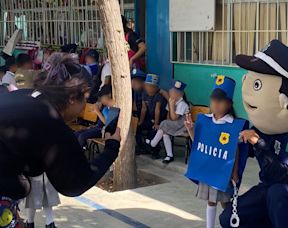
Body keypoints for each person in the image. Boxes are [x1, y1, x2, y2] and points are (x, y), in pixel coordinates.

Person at [0, 53, 121, 228]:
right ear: (72, 98)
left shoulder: (25, 96)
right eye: (85, 100)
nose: (82, 109)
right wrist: (112, 147)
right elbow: (74, 184)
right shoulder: (50, 121)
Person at [219, 40, 288, 228]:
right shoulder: (260, 128)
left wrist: (260, 144)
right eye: (249, 79)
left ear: (284, 101)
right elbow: (242, 152)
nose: (246, 88)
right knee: (228, 218)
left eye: (257, 84)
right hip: (268, 189)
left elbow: (283, 174)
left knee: (278, 196)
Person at [185, 76, 248, 228]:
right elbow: (199, 145)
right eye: (214, 99)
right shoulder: (204, 120)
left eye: (221, 100)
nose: (216, 103)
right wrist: (191, 130)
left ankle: (232, 224)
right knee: (211, 200)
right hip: (208, 169)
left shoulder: (234, 125)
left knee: (227, 202)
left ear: (229, 103)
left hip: (223, 171)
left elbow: (235, 150)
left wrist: (234, 172)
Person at [145, 80, 190, 163]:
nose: (170, 93)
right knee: (165, 130)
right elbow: (168, 117)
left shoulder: (182, 104)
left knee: (163, 124)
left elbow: (174, 118)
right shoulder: (171, 101)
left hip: (182, 126)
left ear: (180, 94)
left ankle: (153, 143)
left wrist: (172, 106)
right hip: (174, 125)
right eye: (171, 91)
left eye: (173, 92)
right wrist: (166, 126)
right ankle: (169, 155)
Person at [137, 74, 167, 158]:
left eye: (151, 87)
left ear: (156, 87)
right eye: (147, 86)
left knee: (153, 131)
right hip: (150, 119)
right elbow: (144, 109)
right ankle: (143, 147)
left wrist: (156, 124)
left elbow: (157, 110)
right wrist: (140, 121)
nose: (149, 88)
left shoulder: (158, 96)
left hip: (160, 120)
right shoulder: (144, 94)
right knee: (138, 128)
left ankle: (155, 151)